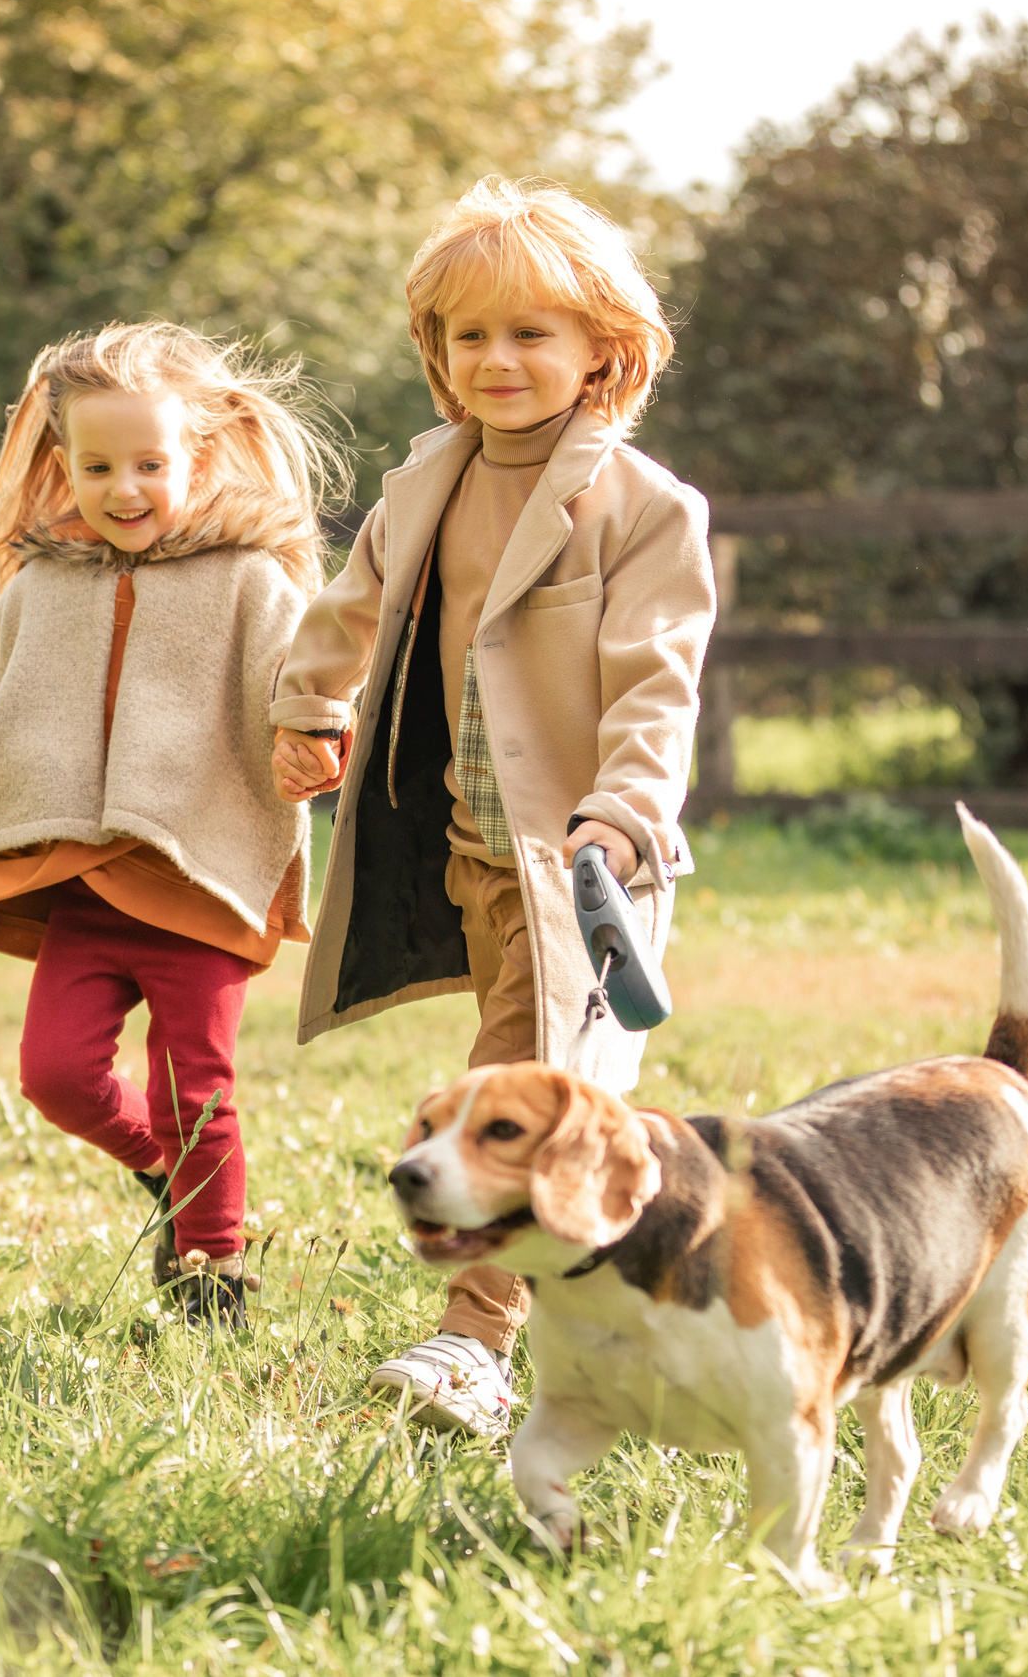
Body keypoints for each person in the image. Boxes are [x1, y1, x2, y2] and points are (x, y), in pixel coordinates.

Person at [270, 177, 715, 1428]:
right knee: (574, 1096)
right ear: (436, 352)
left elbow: (653, 682)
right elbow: (349, 609)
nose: (498, 359)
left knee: (517, 1082)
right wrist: (306, 708)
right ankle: (652, 1301)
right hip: (458, 845)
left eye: (532, 333)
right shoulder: (427, 481)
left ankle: (470, 1343)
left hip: (579, 866)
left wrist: (622, 812)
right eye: (470, 335)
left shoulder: (642, 509)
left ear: (602, 353)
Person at [0, 321, 343, 1328]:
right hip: (81, 885)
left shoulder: (248, 583)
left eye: (148, 464)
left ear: (198, 459)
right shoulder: (43, 588)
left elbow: (306, 688)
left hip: (199, 880)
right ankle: (172, 1180)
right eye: (96, 466)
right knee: (54, 1076)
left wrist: (312, 740)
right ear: (62, 465)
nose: (122, 488)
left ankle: (214, 1269)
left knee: (196, 1089)